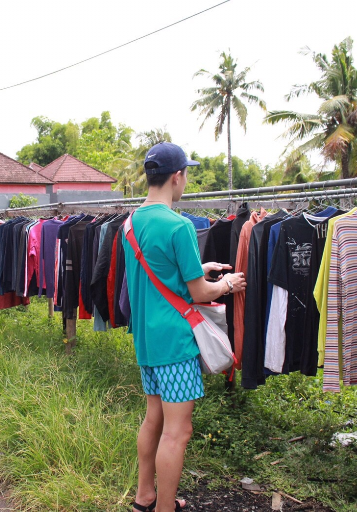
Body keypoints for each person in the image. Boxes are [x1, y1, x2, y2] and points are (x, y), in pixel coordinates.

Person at [122, 142, 246, 512]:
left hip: (146, 339)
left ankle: (145, 496)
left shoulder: (131, 223)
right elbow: (198, 293)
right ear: (177, 177)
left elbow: (156, 274)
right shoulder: (179, 226)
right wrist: (226, 284)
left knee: (154, 419)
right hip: (175, 342)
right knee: (179, 432)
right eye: (186, 174)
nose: (186, 180)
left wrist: (199, 269)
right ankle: (164, 508)